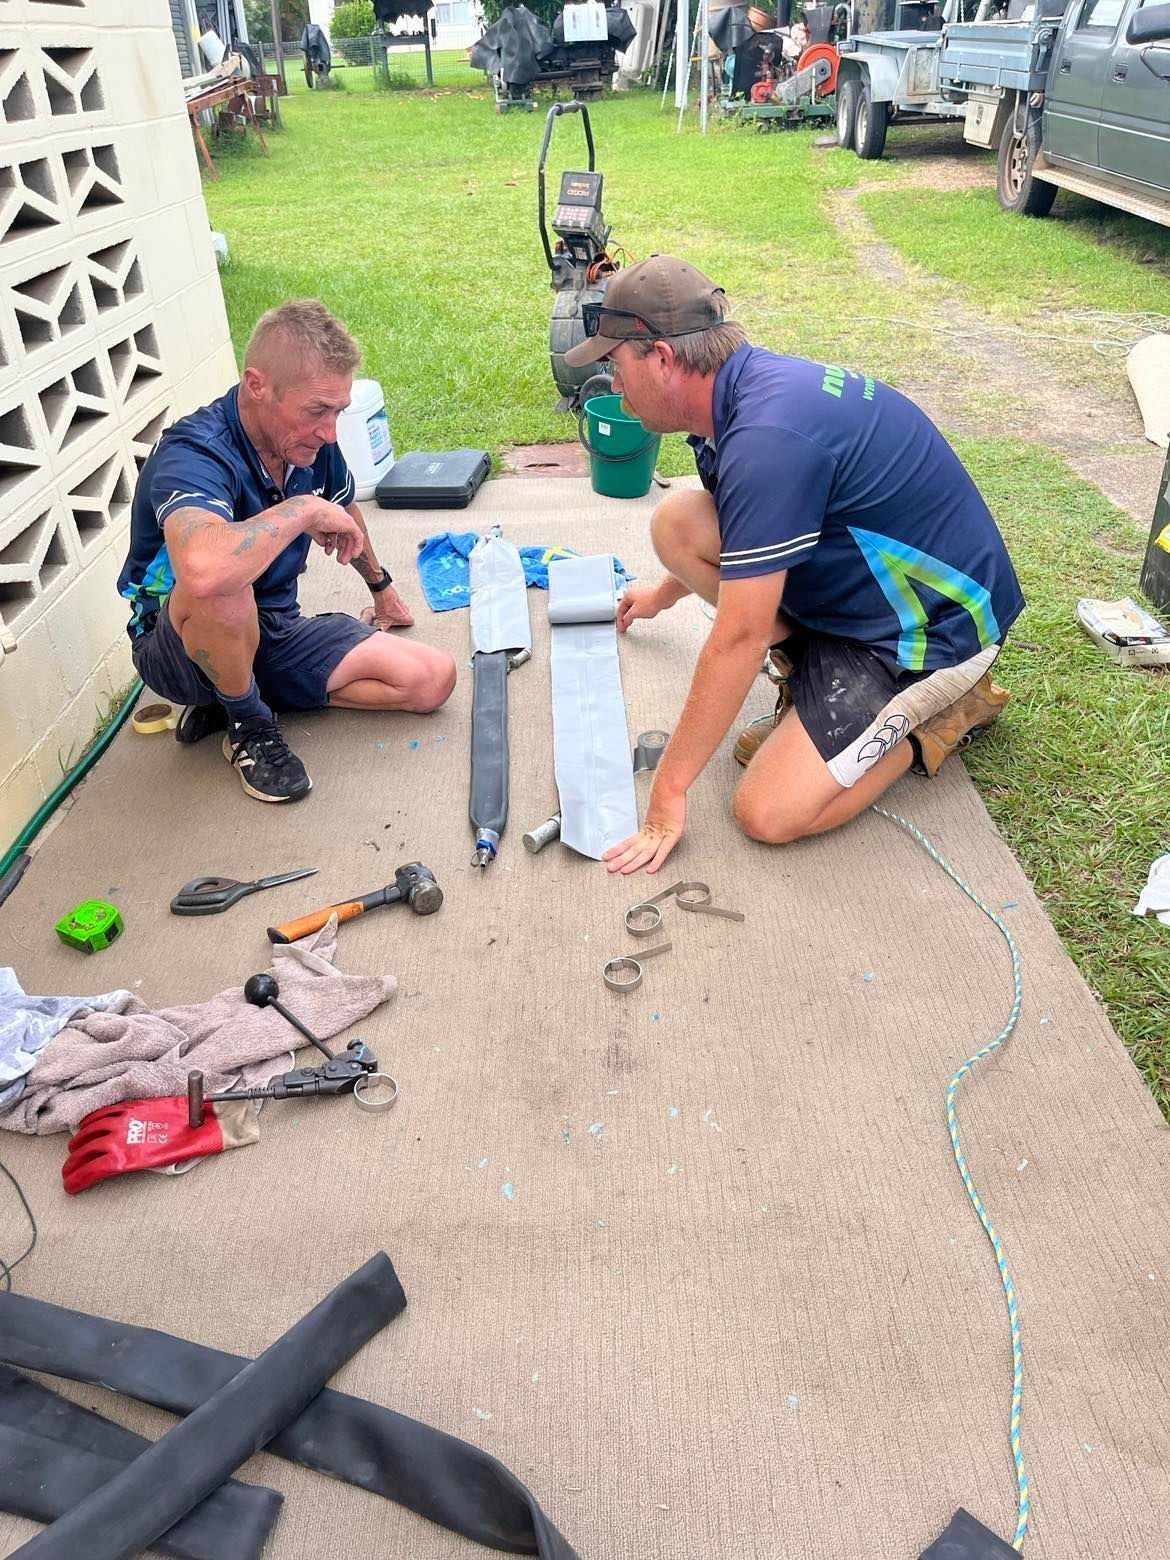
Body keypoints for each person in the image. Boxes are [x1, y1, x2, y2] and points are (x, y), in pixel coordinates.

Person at [562, 255, 1024, 876]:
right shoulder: (735, 394)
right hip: (865, 595)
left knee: (768, 811)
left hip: (932, 634)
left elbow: (740, 638)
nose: (615, 386)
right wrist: (663, 594)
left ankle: (934, 717)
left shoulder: (769, 440)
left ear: (664, 360)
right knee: (678, 523)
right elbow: (750, 525)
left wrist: (668, 793)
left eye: (616, 366)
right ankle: (820, 683)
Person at [117, 300, 456, 803]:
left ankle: (234, 694)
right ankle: (249, 727)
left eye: (337, 411)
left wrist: (381, 588)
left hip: (274, 626)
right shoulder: (194, 452)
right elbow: (205, 571)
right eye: (317, 410)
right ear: (257, 386)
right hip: (177, 647)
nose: (329, 431)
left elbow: (342, 510)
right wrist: (301, 510)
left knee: (430, 681)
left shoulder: (308, 438)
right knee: (224, 587)